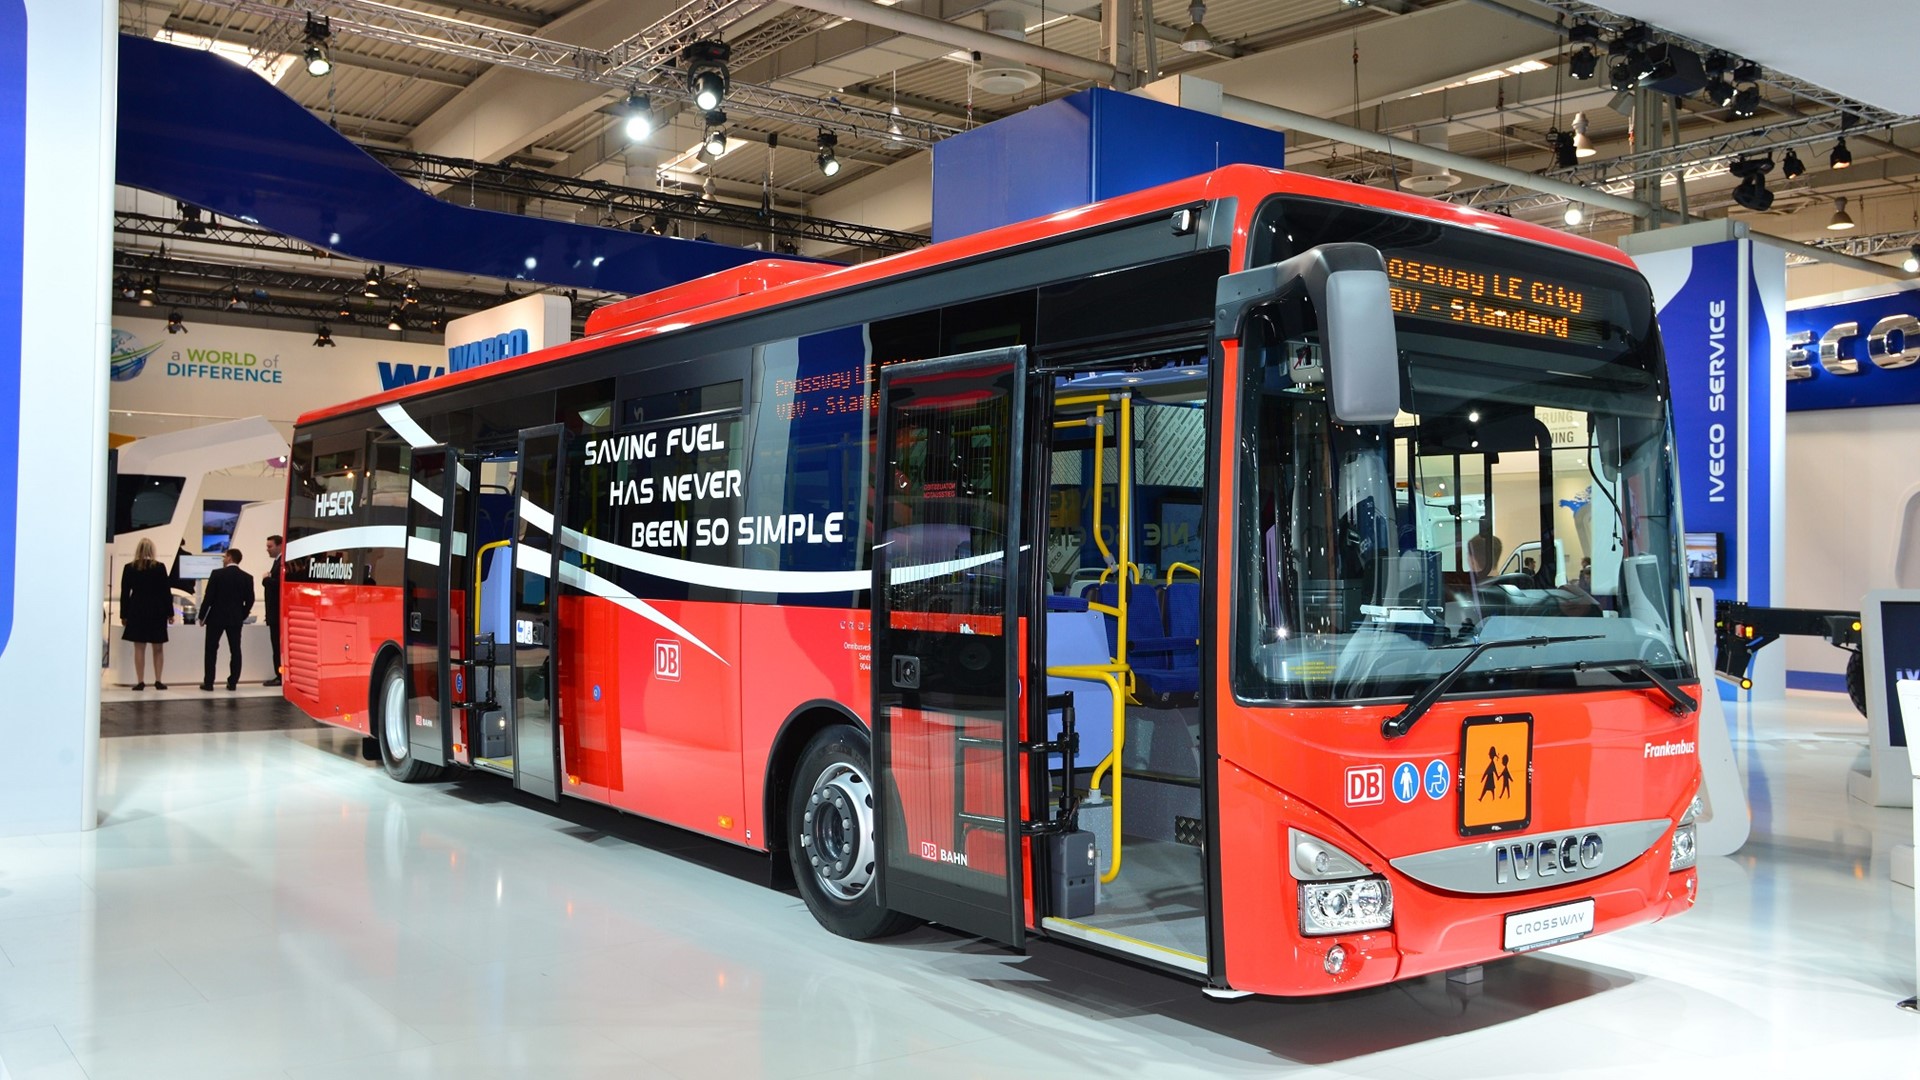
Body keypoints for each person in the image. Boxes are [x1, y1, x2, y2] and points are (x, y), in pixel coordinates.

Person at [119, 537, 175, 689]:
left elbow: (125, 593)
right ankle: (158, 680)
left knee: (139, 647)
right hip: (157, 609)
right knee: (158, 647)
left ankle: (140, 681)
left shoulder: (129, 567)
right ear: (152, 550)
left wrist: (123, 615)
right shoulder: (159, 567)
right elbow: (165, 592)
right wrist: (170, 613)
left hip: (137, 609)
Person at [200, 547, 255, 691]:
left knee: (211, 650)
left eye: (225, 557)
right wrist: (242, 614)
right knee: (235, 650)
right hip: (235, 618)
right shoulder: (247, 577)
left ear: (230, 557)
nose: (223, 559)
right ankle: (233, 682)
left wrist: (202, 616)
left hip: (215, 618)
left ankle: (209, 683)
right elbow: (250, 600)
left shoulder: (217, 574)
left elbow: (209, 597)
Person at [263, 534, 283, 687]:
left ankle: (280, 675)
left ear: (279, 545)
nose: (267, 550)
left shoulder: (282, 563)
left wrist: (266, 579)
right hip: (274, 613)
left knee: (277, 646)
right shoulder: (277, 563)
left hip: (277, 614)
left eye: (270, 546)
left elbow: (279, 586)